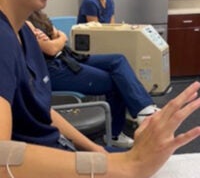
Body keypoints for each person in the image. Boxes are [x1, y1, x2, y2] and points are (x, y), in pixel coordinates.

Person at [0, 0, 200, 178]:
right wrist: (128, 164)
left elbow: (41, 109)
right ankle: (143, 111)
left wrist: (97, 150)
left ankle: (139, 115)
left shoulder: (25, 36)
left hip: (60, 151)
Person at [27, 10, 159, 149]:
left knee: (118, 60)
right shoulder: (24, 23)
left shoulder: (36, 15)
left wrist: (57, 38)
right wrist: (59, 39)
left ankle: (144, 109)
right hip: (52, 69)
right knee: (115, 82)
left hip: (65, 57)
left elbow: (55, 34)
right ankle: (115, 133)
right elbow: (52, 48)